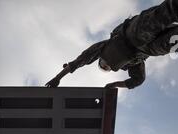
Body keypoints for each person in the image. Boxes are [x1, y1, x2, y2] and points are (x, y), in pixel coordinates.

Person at [46, 0, 178, 90]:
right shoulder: (129, 65)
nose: (106, 65)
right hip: (148, 50)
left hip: (133, 34)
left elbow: (80, 61)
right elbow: (137, 80)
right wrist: (115, 84)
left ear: (100, 59)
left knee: (166, 13)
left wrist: (58, 77)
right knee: (173, 41)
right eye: (106, 68)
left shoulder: (104, 48)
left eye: (102, 64)